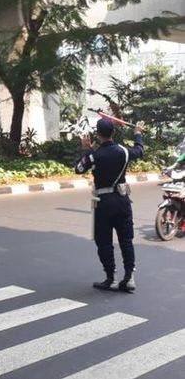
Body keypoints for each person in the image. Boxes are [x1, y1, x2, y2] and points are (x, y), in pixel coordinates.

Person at [75, 118, 145, 292]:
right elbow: (139, 151)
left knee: (104, 242)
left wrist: (86, 149)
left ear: (98, 135)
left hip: (104, 203)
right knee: (126, 240)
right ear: (113, 133)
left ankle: (111, 278)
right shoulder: (124, 152)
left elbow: (79, 169)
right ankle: (129, 278)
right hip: (122, 202)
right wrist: (137, 134)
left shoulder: (94, 155)